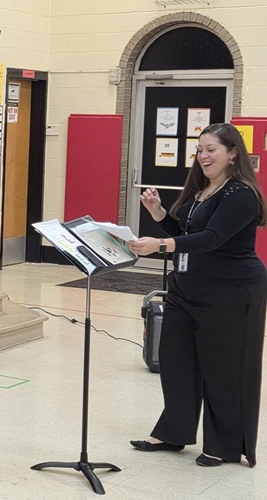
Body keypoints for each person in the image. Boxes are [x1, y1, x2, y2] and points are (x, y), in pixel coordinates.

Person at [128, 123, 267, 468]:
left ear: (233, 153)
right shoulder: (201, 190)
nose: (203, 156)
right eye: (199, 149)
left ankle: (224, 446)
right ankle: (173, 433)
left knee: (223, 370)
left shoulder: (241, 195)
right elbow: (187, 232)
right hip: (187, 289)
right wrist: (159, 214)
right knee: (176, 361)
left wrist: (160, 244)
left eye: (211, 149)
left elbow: (212, 239)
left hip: (230, 291)